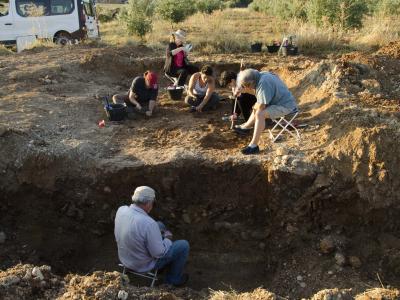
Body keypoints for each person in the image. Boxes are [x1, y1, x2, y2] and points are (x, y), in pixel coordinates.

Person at [114, 186, 190, 286]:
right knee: (183, 245)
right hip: (143, 265)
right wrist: (167, 240)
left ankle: (164, 267)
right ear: (149, 203)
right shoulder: (149, 223)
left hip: (125, 259)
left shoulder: (121, 210)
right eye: (153, 202)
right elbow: (159, 253)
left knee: (160, 225)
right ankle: (173, 280)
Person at [234, 69, 298, 155]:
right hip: (278, 102)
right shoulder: (261, 75)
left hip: (286, 106)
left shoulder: (263, 83)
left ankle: (253, 146)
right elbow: (258, 93)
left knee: (260, 113)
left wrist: (246, 92)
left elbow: (261, 106)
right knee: (257, 107)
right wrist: (243, 89)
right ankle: (246, 127)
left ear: (251, 82)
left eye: (246, 85)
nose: (247, 87)